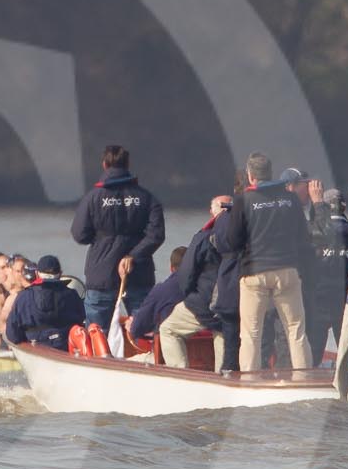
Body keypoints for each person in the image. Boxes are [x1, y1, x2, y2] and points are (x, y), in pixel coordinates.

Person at [224, 152, 312, 372]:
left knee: (252, 333)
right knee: (296, 329)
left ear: (250, 176)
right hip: (288, 271)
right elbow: (303, 237)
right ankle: (304, 379)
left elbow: (233, 242)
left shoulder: (243, 201)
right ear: (271, 174)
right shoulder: (290, 199)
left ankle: (250, 381)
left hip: (255, 273)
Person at [69, 144, 166, 331]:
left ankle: (98, 360)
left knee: (97, 334)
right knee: (143, 330)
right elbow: (156, 235)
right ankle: (146, 358)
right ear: (128, 164)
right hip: (139, 273)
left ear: (104, 164)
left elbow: (79, 234)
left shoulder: (93, 198)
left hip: (101, 273)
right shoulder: (147, 198)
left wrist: (101, 240)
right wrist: (134, 255)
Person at [158, 196, 242, 371]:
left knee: (167, 329)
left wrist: (190, 295)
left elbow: (186, 274)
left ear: (212, 213)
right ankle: (224, 379)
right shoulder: (246, 237)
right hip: (237, 305)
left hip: (205, 303)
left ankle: (181, 374)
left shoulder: (204, 237)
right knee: (224, 335)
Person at [306, 189, 348, 363]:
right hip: (346, 298)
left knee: (314, 349)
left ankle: (309, 381)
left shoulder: (315, 232)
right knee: (347, 349)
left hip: (319, 296)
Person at [2, 256, 86, 350]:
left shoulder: (23, 296)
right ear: (60, 274)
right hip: (65, 348)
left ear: (37, 274)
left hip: (35, 347)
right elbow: (81, 320)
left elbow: (12, 334)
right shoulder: (72, 295)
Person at [127, 245, 192, 358]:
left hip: (166, 357)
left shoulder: (161, 290)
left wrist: (131, 326)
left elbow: (138, 328)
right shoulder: (205, 289)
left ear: (171, 268)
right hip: (204, 358)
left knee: (126, 363)